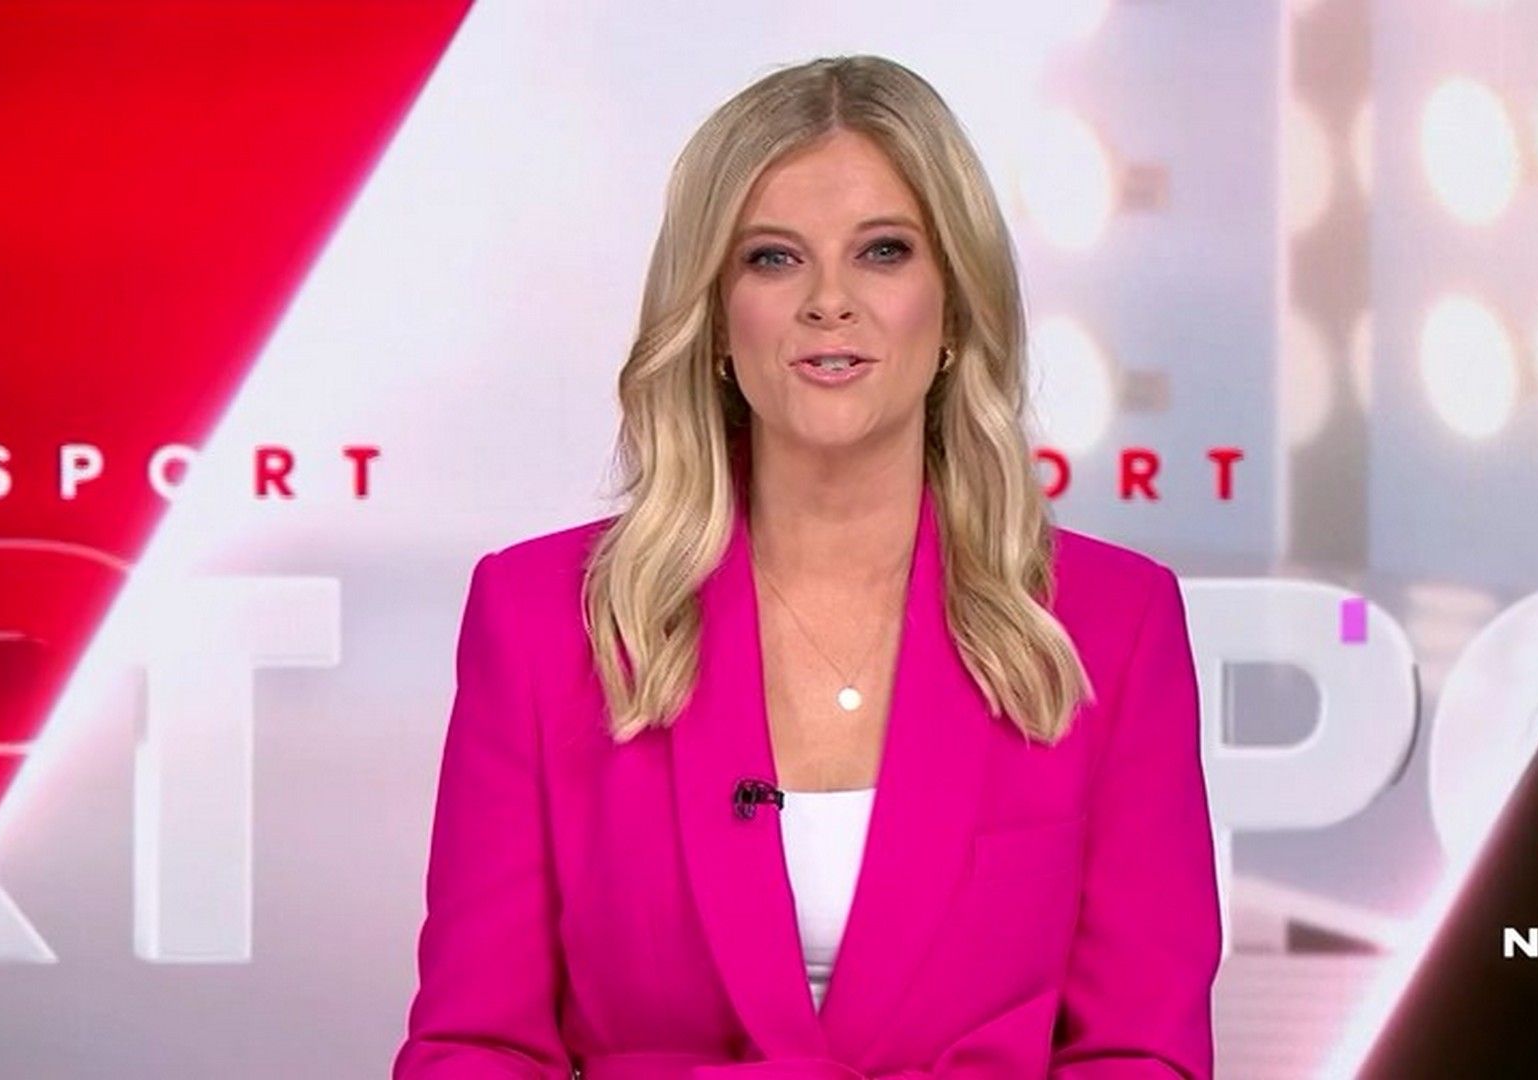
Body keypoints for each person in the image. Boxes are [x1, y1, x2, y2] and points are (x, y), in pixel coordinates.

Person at [394, 54, 1221, 1079]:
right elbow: (475, 1046)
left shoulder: (1113, 623)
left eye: (883, 251)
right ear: (714, 320)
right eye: (774, 259)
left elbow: (1140, 1051)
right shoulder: (540, 622)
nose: (831, 301)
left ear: (955, 308)